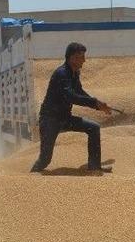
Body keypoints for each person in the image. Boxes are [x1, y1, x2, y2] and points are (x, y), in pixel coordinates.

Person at [31, 42, 112, 173]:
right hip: (49, 120)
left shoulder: (75, 73)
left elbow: (79, 92)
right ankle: (29, 178)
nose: (84, 60)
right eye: (81, 57)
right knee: (45, 159)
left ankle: (94, 167)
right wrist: (95, 102)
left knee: (94, 127)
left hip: (64, 118)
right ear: (73, 58)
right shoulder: (62, 74)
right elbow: (71, 97)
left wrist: (98, 105)